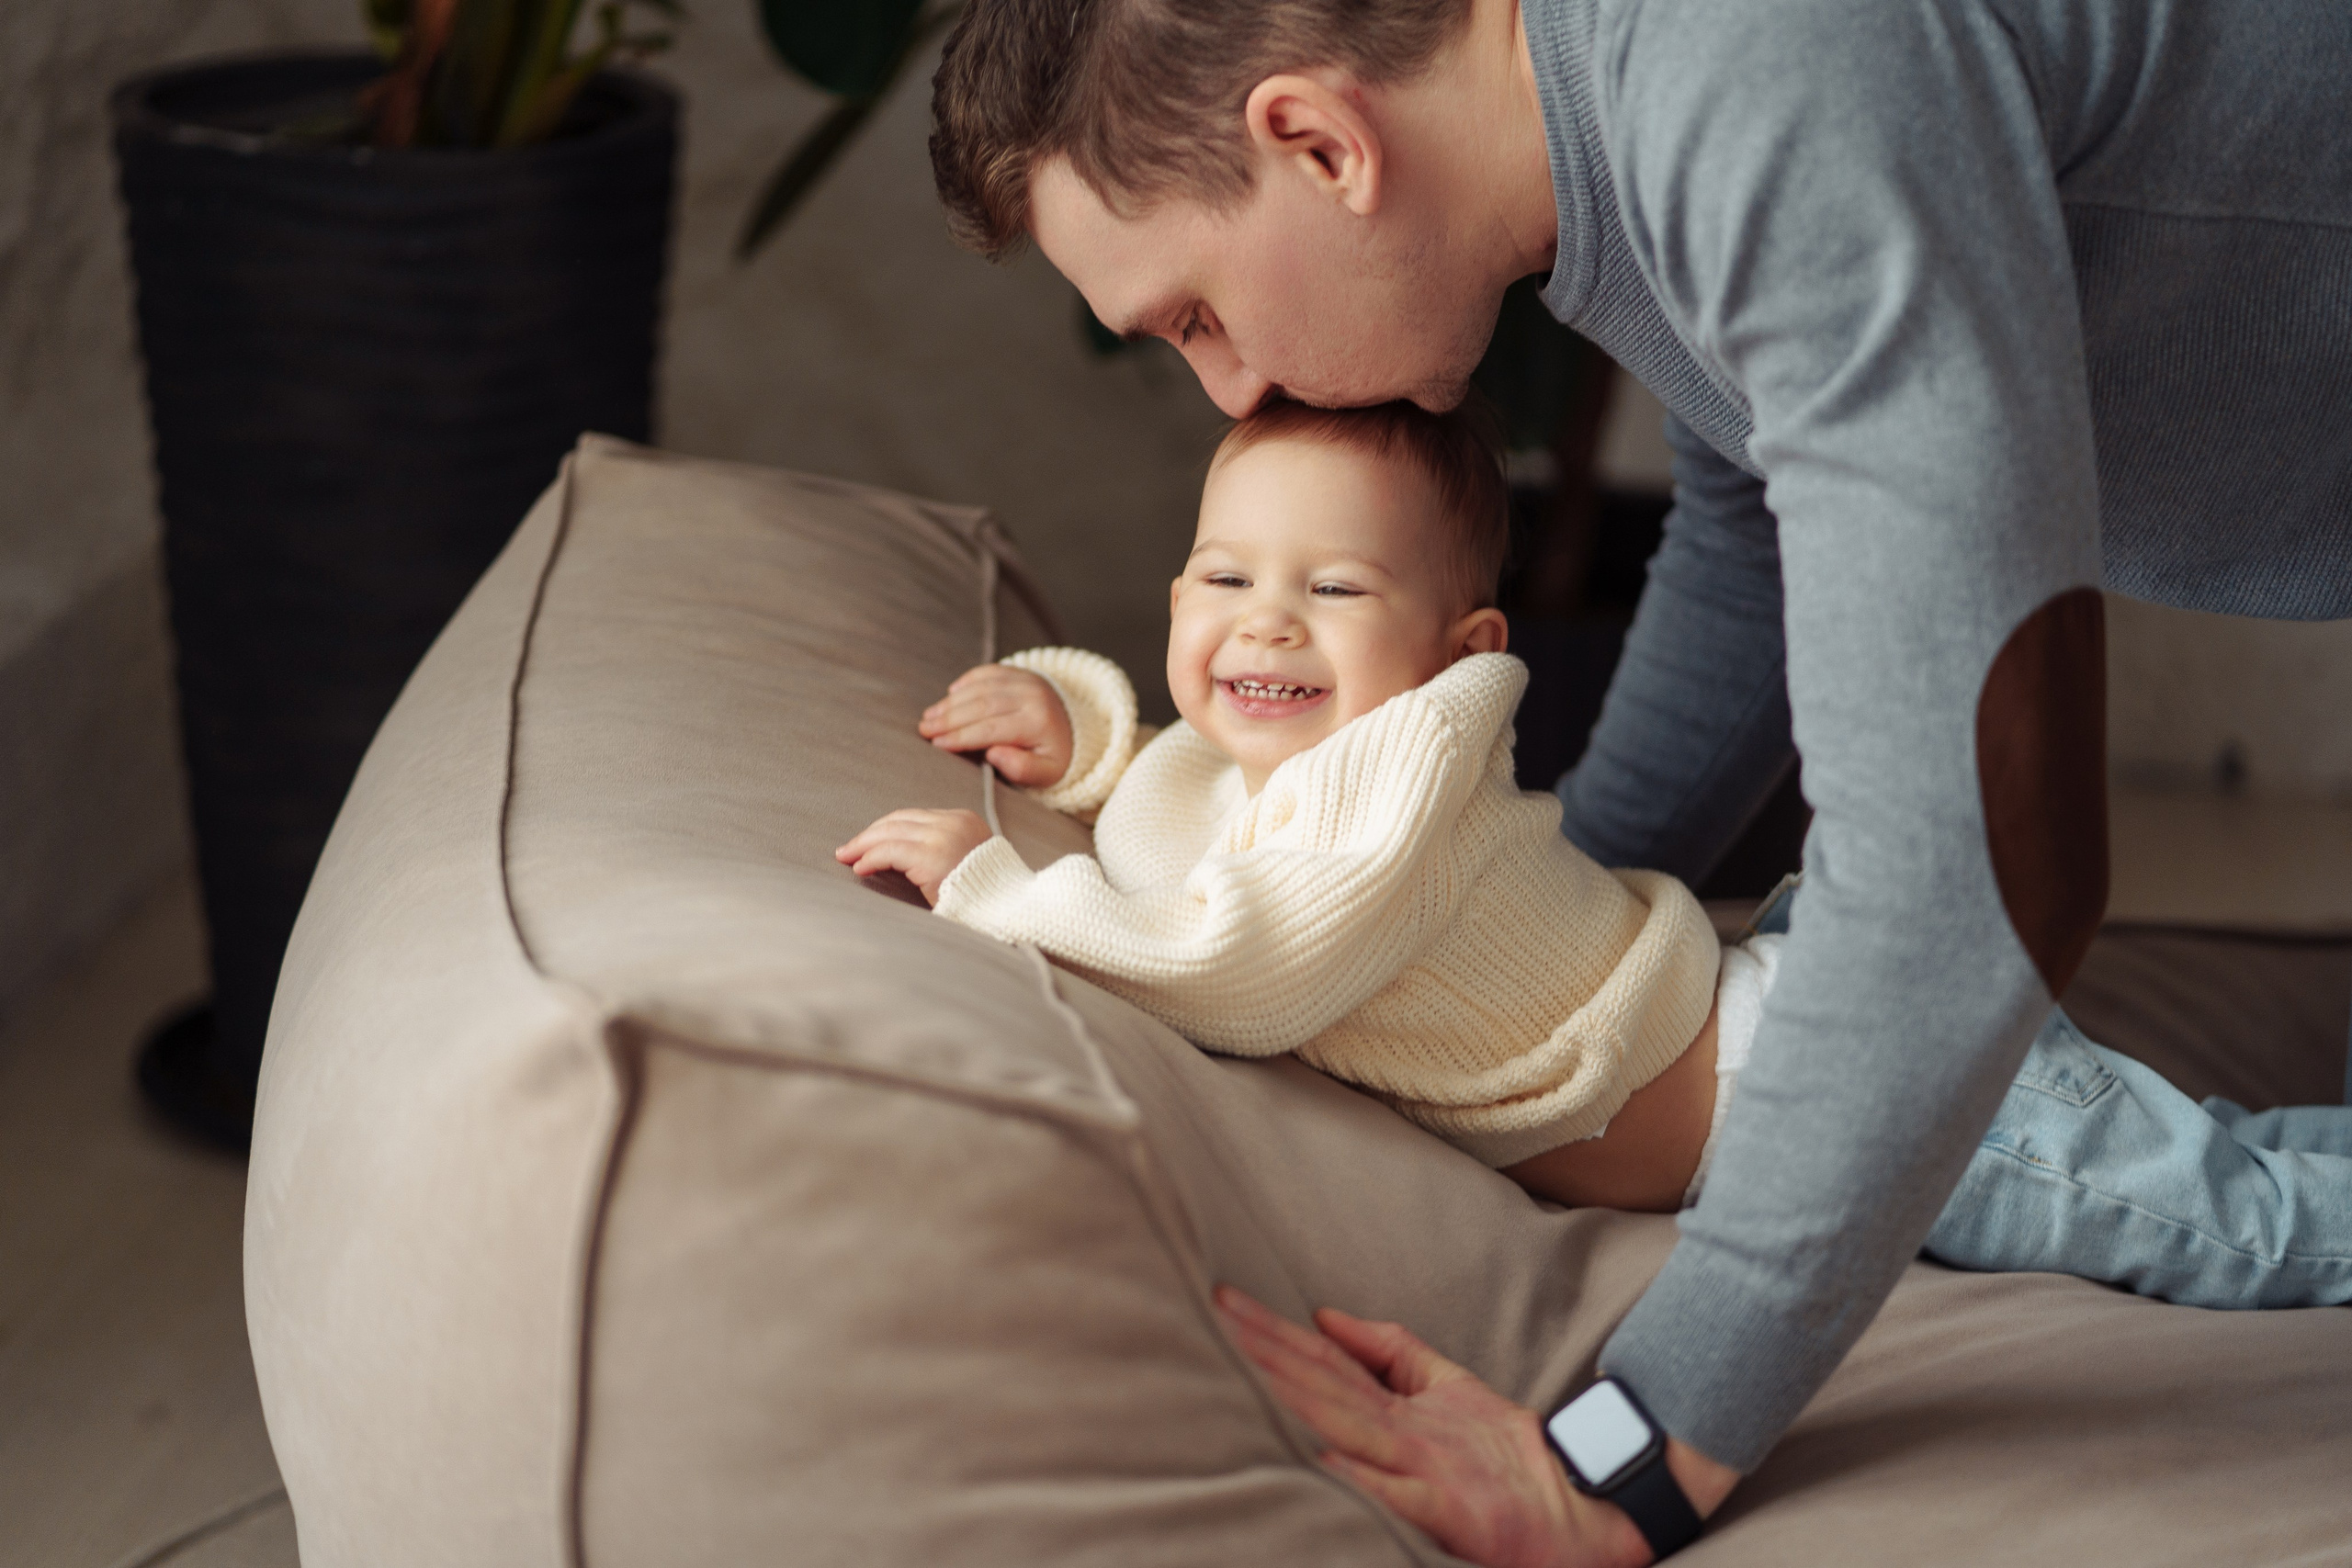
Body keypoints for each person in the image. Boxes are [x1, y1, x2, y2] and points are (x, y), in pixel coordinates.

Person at [922, 0, 2352, 1561]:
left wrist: (1628, 1451)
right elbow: (1757, 544)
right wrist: (1518, 936)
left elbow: (1977, 858)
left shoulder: (1757, 68)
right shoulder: (1616, 137)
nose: (1227, 388)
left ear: (1318, 143)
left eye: (1195, 314)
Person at [838, 394, 2352, 1269]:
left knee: (2233, 1230)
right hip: (1781, 1008)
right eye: (1223, 578)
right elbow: (1209, 808)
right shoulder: (1290, 776)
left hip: (1817, 1087)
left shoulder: (1405, 774)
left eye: (1336, 590)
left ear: (1456, 652)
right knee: (2220, 1159)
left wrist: (995, 891)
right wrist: (1087, 745)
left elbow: (1241, 961)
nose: (1266, 622)